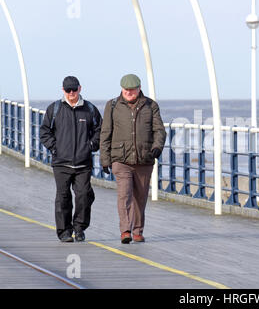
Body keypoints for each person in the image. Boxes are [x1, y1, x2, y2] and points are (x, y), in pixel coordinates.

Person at [100, 74, 166, 244]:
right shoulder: (112, 105)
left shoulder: (151, 105)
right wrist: (105, 159)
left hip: (144, 159)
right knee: (124, 195)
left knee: (140, 197)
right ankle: (126, 230)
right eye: (126, 90)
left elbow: (159, 130)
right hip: (120, 159)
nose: (129, 93)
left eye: (132, 90)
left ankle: (138, 231)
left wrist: (156, 148)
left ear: (139, 88)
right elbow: (105, 133)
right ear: (121, 89)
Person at [40, 76, 102, 242]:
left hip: (83, 163)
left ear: (80, 88)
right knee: (63, 198)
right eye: (68, 90)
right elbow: (44, 132)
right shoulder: (54, 109)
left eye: (74, 89)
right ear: (63, 90)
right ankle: (64, 232)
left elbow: (100, 130)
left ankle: (79, 228)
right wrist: (55, 148)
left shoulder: (90, 109)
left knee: (83, 196)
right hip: (61, 163)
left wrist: (91, 145)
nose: (71, 93)